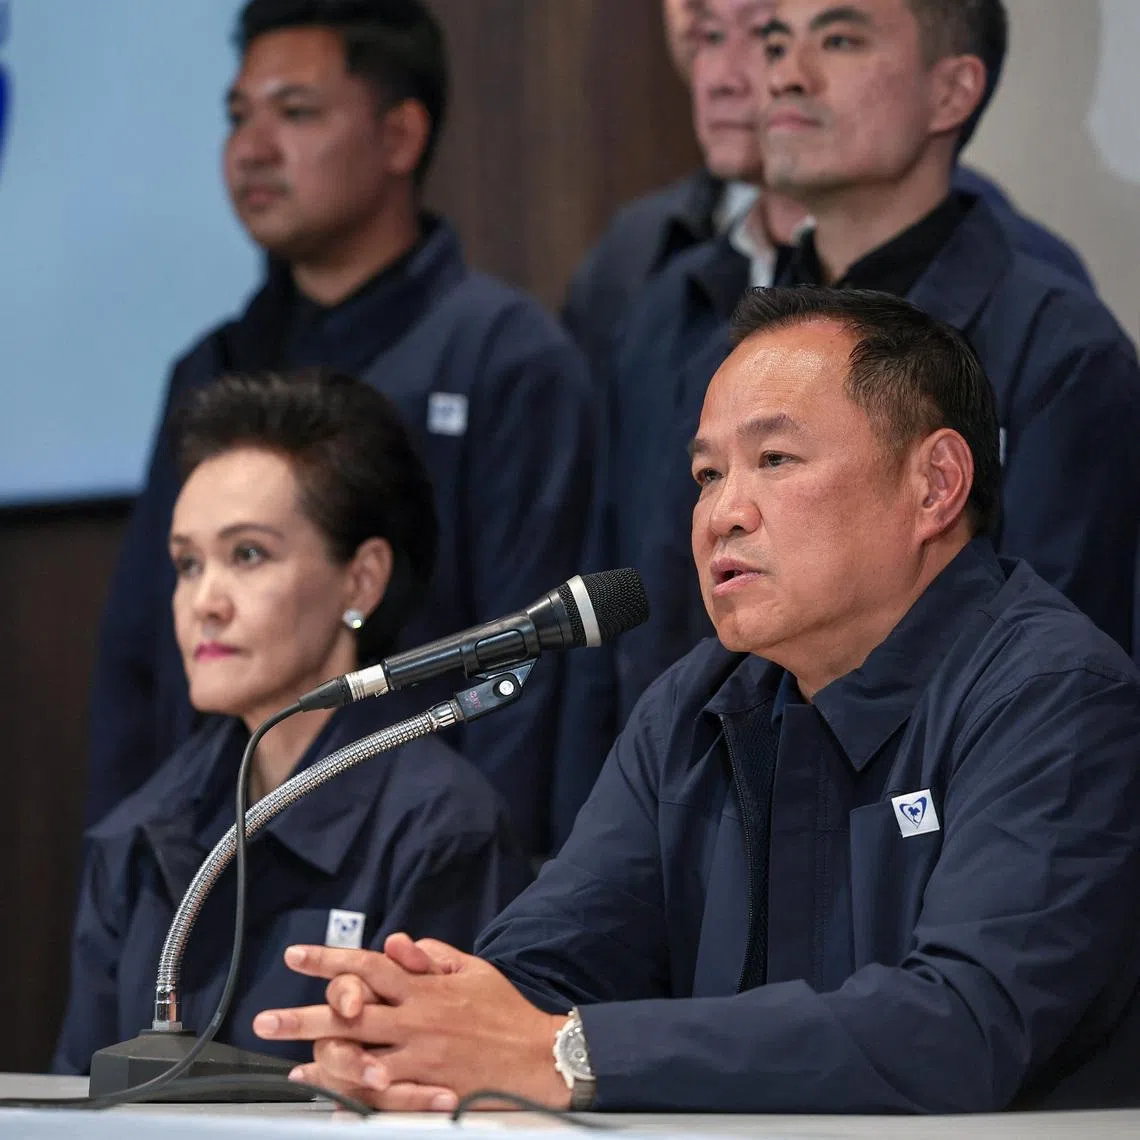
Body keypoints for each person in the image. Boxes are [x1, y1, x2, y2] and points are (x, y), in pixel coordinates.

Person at [250, 289, 1140, 1114]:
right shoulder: (700, 700)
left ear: (935, 484)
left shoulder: (1055, 697)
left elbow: (960, 1027)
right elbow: (551, 963)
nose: (723, 515)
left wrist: (574, 1054)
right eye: (708, 475)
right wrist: (414, 1025)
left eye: (775, 459)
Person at [559, 0, 1140, 791]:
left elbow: (1063, 689)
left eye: (838, 39)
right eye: (775, 41)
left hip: (942, 832)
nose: (786, 76)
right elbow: (632, 626)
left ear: (951, 93)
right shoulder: (686, 322)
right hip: (702, 815)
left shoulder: (1057, 348)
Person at [88, 0, 594, 856]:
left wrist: (482, 882)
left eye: (296, 113)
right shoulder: (209, 370)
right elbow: (139, 666)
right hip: (211, 855)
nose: (252, 149)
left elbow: (535, 671)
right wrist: (130, 868)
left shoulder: (505, 357)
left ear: (400, 136)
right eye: (238, 116)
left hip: (425, 863)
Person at [54, 371, 532, 1075]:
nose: (204, 602)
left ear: (361, 580)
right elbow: (77, 1100)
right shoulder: (136, 836)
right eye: (188, 564)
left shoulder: (441, 830)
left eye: (247, 555)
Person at [562, 0, 1093, 378]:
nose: (782, 76)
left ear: (950, 89)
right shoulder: (647, 276)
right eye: (708, 37)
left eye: (760, 32)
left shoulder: (1037, 305)